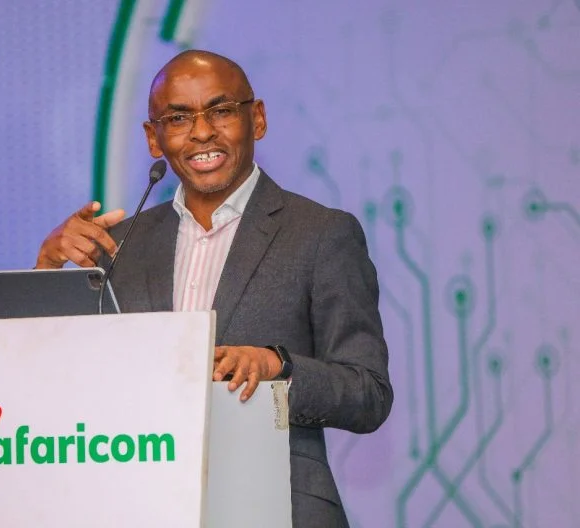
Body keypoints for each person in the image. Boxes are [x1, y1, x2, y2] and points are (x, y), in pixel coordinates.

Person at [36, 50, 393, 528]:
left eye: (221, 110)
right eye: (178, 118)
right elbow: (57, 381)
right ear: (153, 138)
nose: (202, 132)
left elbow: (368, 393)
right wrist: (48, 268)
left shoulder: (322, 234)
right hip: (143, 506)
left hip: (279, 507)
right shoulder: (118, 245)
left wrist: (277, 366)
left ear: (257, 119)